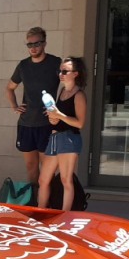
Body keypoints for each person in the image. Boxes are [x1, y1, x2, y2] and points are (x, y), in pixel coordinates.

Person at [5, 26, 61, 185]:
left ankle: (47, 204)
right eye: (30, 44)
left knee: (47, 168)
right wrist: (14, 106)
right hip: (26, 123)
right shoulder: (23, 66)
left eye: (37, 43)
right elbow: (9, 88)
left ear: (44, 43)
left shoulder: (55, 62)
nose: (33, 47)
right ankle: (33, 202)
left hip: (47, 123)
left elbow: (68, 85)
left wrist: (57, 109)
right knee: (31, 167)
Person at [37, 57, 87, 211]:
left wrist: (58, 115)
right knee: (43, 180)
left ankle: (65, 216)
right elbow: (57, 119)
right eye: (60, 71)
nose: (61, 74)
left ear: (76, 74)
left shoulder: (79, 95)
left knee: (66, 180)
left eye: (65, 71)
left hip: (69, 138)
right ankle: (40, 211)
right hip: (55, 137)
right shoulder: (62, 91)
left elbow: (80, 123)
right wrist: (53, 117)